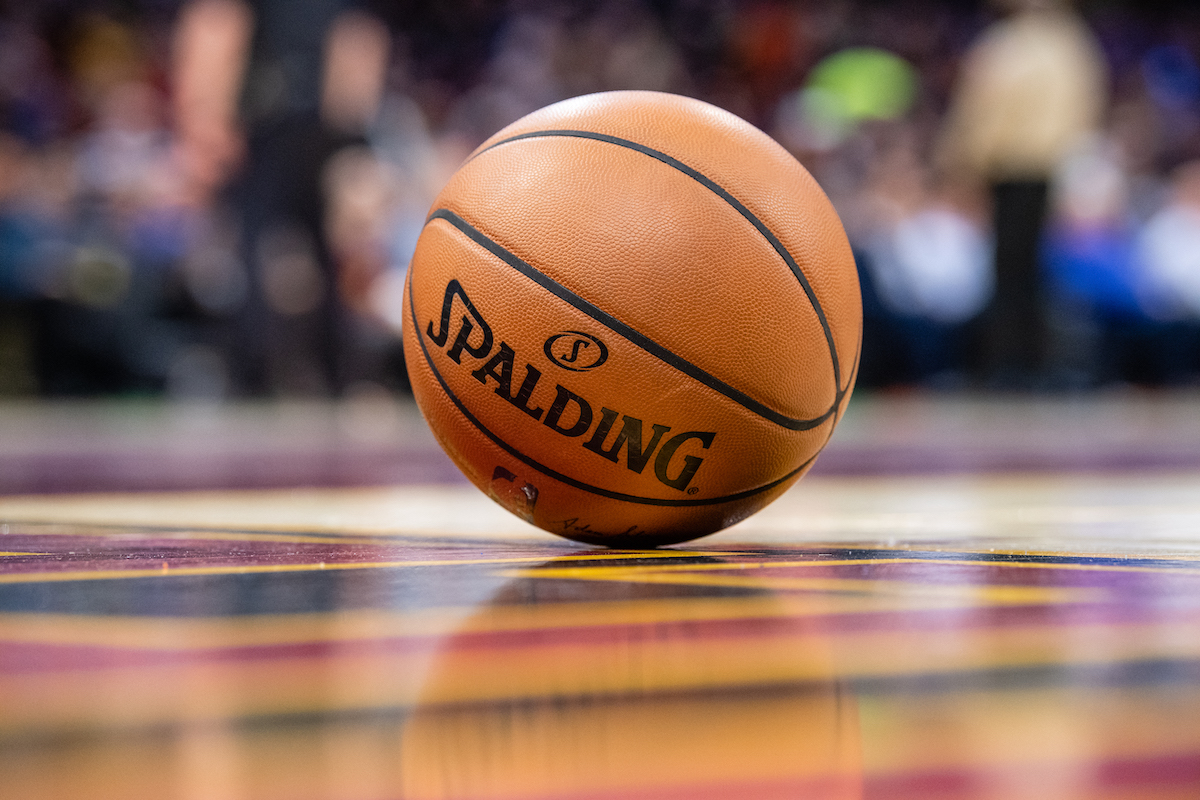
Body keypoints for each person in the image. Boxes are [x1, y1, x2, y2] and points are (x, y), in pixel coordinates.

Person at [938, 0, 1107, 388]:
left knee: (1013, 272)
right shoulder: (1070, 42)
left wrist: (963, 161)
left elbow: (983, 112)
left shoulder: (1010, 44)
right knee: (1028, 271)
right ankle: (1025, 362)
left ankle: (1011, 364)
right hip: (1043, 167)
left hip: (1014, 168)